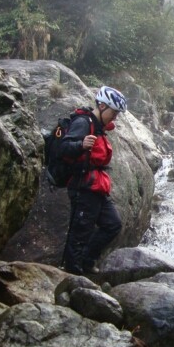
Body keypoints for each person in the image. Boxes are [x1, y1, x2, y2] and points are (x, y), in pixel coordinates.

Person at [59, 85, 127, 275]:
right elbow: (64, 148)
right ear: (102, 106)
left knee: (112, 224)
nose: (115, 117)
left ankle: (87, 261)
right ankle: (73, 273)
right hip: (83, 186)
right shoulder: (83, 122)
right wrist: (80, 145)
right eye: (114, 112)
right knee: (80, 231)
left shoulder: (98, 127)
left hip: (96, 186)